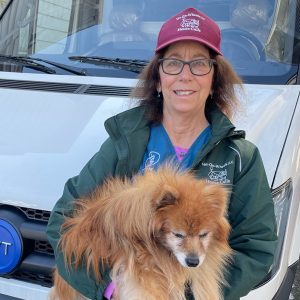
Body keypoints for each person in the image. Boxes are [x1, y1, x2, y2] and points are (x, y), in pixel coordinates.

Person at [47, 7, 277, 300]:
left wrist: (187, 295)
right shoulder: (126, 141)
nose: (185, 75)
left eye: (199, 64)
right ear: (157, 78)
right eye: (172, 64)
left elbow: (256, 249)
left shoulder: (240, 156)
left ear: (214, 79)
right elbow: (62, 222)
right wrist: (109, 287)